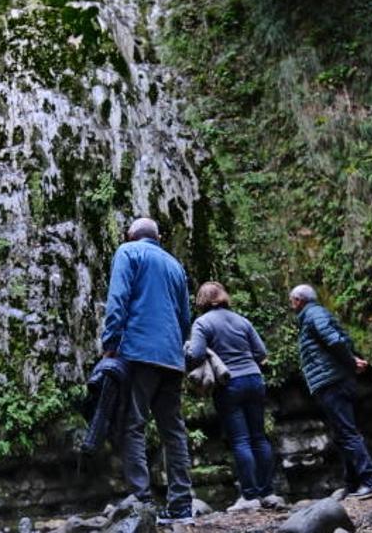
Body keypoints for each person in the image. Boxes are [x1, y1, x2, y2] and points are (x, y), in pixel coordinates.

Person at [102, 217, 194, 523]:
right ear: (158, 236)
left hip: (139, 352)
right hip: (171, 357)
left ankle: (141, 500)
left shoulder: (128, 252)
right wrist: (176, 347)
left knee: (134, 423)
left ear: (131, 234)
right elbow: (185, 315)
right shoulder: (175, 265)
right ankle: (181, 505)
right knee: (174, 431)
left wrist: (111, 342)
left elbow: (118, 299)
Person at [187, 281, 283, 512]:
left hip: (230, 383)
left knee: (240, 440)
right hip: (254, 378)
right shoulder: (242, 320)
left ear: (201, 300)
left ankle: (249, 496)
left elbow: (197, 354)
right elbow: (260, 353)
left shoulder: (202, 323)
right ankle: (267, 492)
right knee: (259, 437)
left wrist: (188, 350)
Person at [289, 283, 372, 500]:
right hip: (331, 381)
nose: (291, 305)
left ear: (298, 300)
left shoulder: (313, 314)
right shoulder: (311, 316)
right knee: (341, 434)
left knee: (347, 432)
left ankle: (371, 481)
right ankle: (352, 483)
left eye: (292, 300)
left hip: (333, 382)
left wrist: (350, 361)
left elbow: (334, 339)